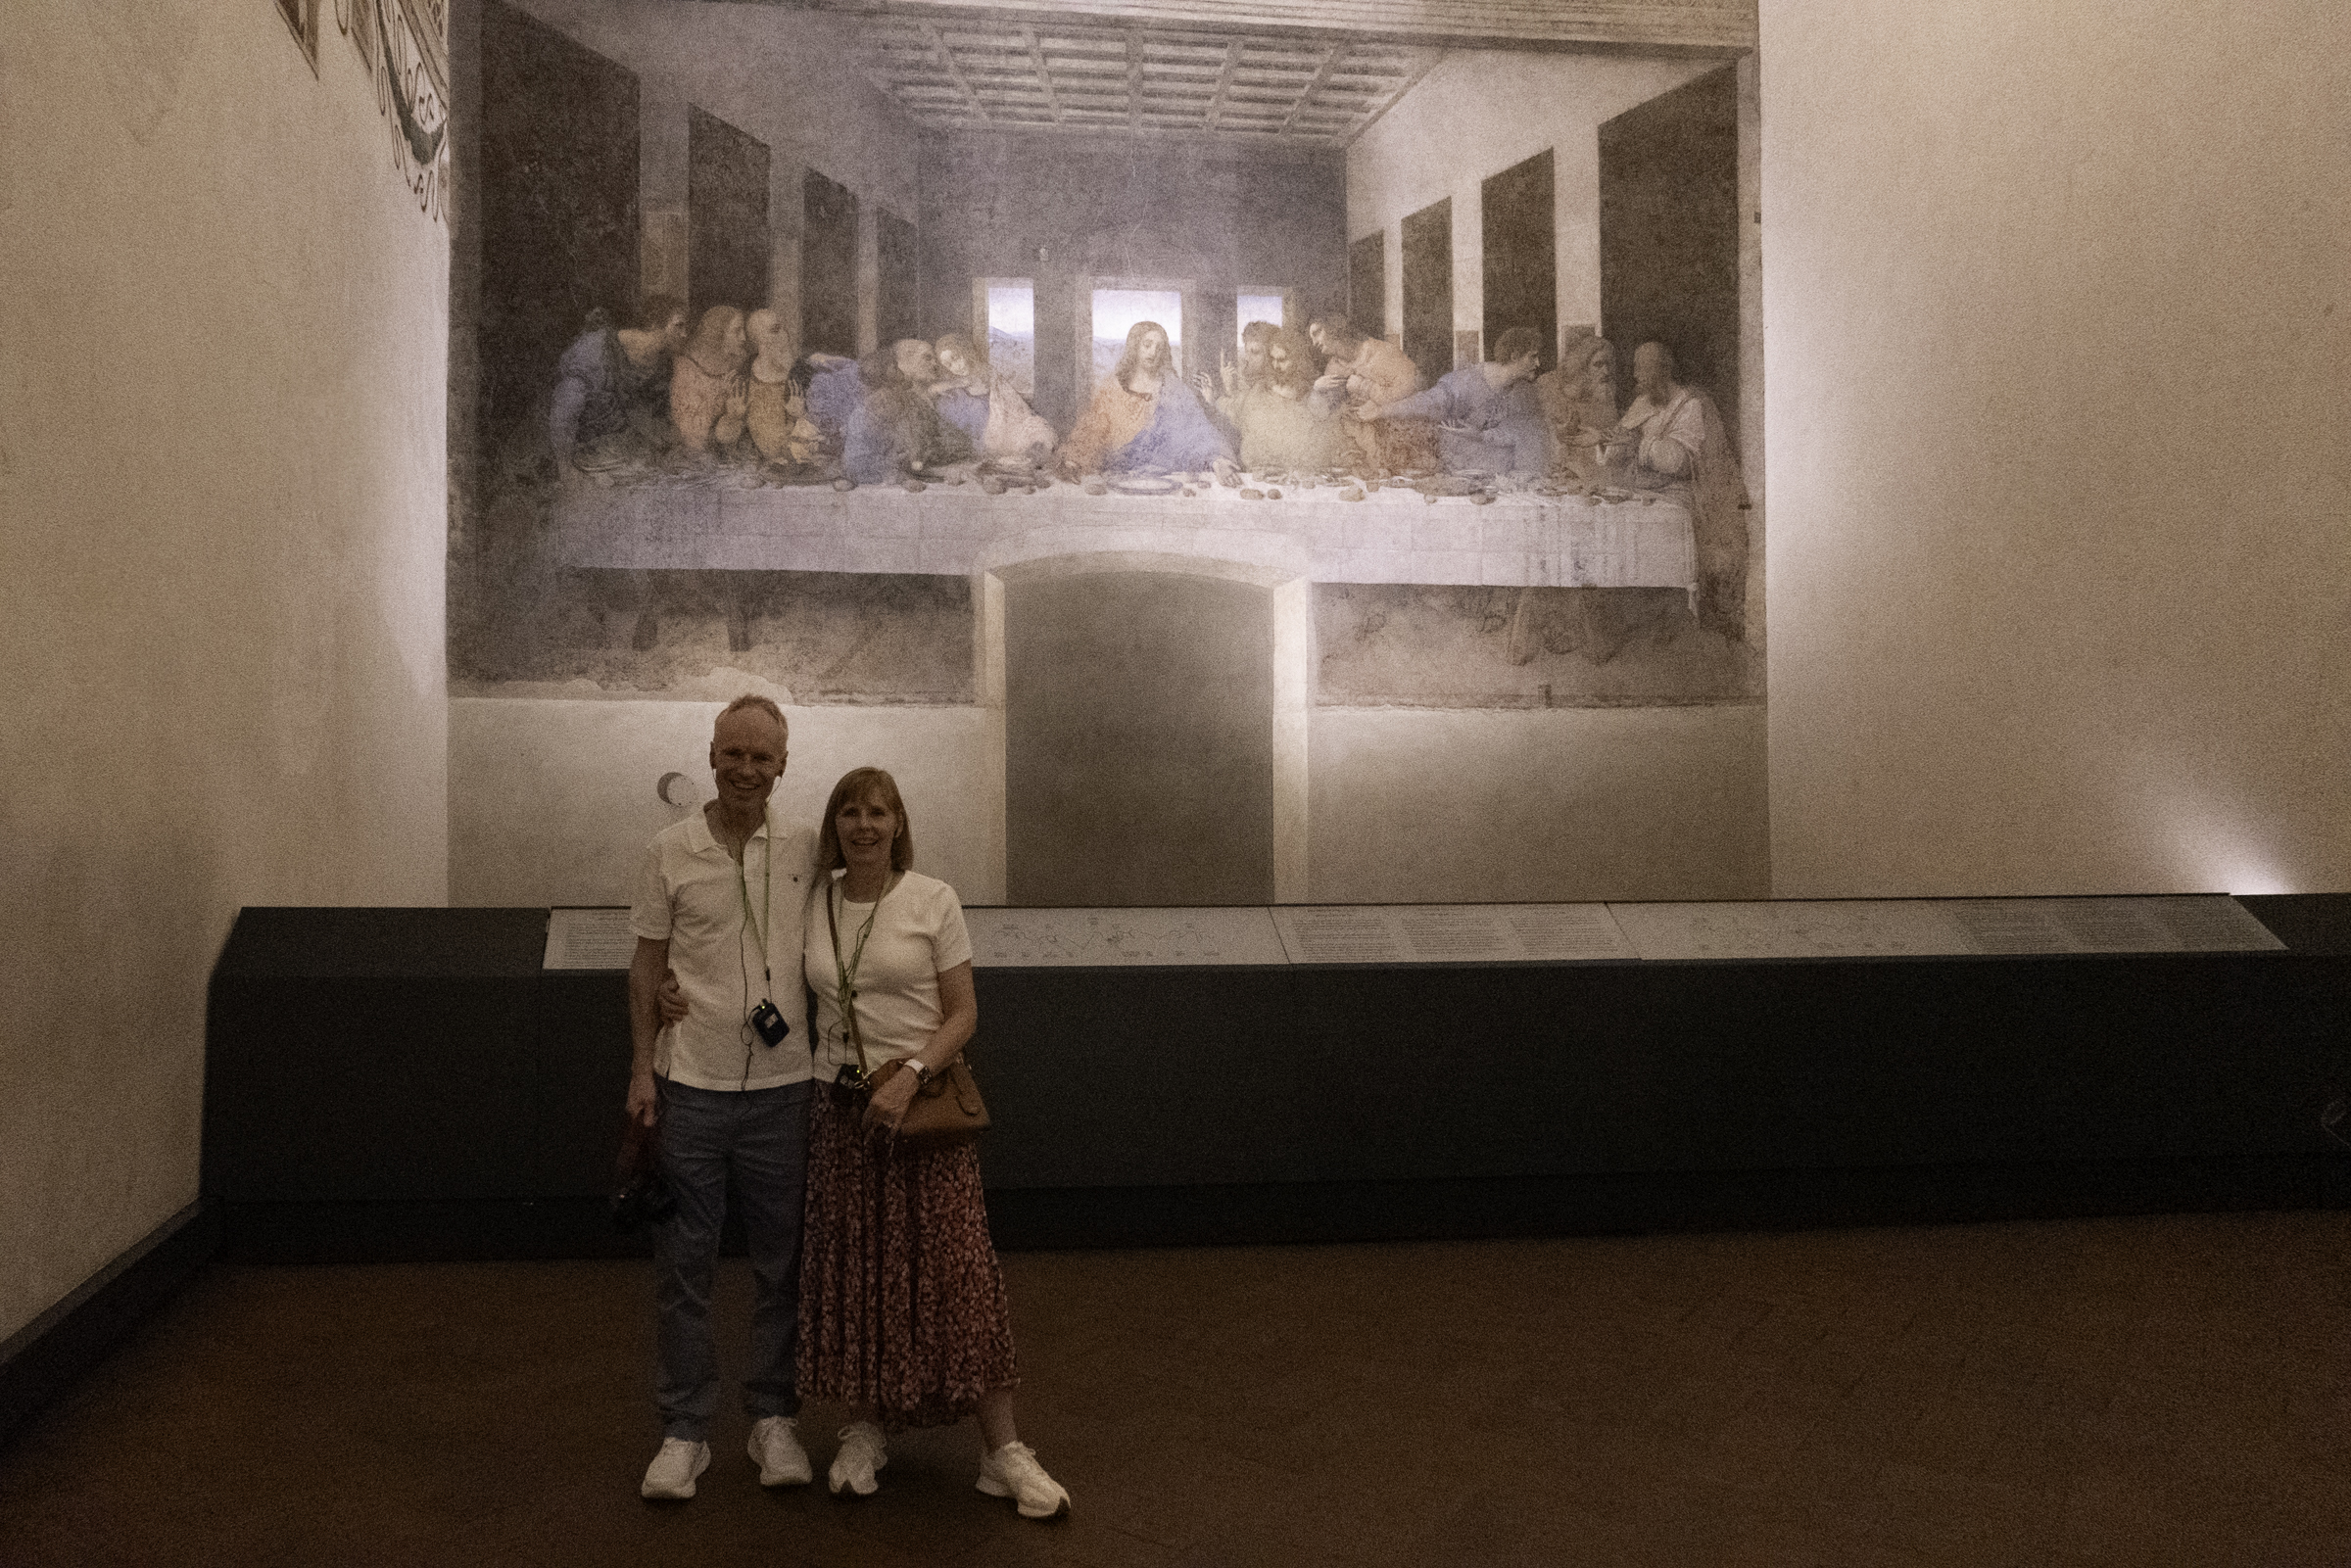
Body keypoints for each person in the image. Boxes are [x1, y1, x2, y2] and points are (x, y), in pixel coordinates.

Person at [799, 767, 1072, 1520]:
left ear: (897, 823)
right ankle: (865, 1429)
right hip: (843, 1116)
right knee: (860, 1273)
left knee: (957, 1275)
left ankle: (1003, 1450)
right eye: (850, 812)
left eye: (877, 812)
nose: (863, 825)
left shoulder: (931, 899)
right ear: (835, 825)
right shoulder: (814, 899)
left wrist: (913, 1072)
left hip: (923, 1115)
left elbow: (963, 1012)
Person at [626, 695, 822, 1501]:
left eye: (763, 757)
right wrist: (642, 1065)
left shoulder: (810, 847)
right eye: (733, 753)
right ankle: (685, 1431)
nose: (747, 768)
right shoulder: (669, 849)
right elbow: (645, 965)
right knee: (685, 1264)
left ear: (783, 765)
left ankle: (772, 1419)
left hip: (786, 1090)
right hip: (692, 1086)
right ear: (710, 756)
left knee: (783, 1263)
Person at [1603, 341, 1751, 639]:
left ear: (1662, 370)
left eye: (1641, 368)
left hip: (1678, 493)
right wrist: (1602, 441)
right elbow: (1614, 452)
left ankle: (1669, 614)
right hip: (1640, 490)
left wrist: (1636, 445)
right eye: (1634, 367)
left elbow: (1678, 462)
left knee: (1656, 528)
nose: (1635, 375)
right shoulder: (1643, 402)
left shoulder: (1690, 404)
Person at [1359, 325, 1552, 480]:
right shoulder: (1465, 382)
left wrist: (1481, 435)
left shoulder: (1522, 392)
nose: (1538, 364)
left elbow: (1517, 434)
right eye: (1532, 356)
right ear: (1514, 356)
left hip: (1502, 478)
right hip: (1460, 474)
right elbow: (1426, 403)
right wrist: (1382, 410)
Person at [1058, 320, 1234, 477]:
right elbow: (1092, 429)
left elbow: (1198, 430)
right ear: (1135, 347)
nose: (1153, 352)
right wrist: (1073, 461)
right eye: (1147, 345)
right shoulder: (1112, 387)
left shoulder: (1175, 389)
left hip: (1167, 477)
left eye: (1159, 347)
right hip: (1117, 476)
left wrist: (1217, 460)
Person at [549, 294, 688, 473]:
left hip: (626, 463)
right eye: (679, 326)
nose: (685, 334)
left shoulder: (663, 364)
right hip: (577, 462)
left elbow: (659, 418)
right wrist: (566, 471)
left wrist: (672, 452)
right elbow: (563, 417)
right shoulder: (594, 352)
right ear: (654, 324)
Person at [1307, 314, 1432, 475]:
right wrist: (1318, 391)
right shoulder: (1333, 367)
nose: (1314, 342)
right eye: (1311, 337)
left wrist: (1366, 388)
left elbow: (1416, 390)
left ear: (1335, 328)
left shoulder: (1381, 352)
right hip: (1358, 449)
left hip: (1395, 443)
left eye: (1317, 332)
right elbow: (1326, 414)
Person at [844, 339, 977, 485]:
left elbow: (945, 446)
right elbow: (859, 463)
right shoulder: (865, 414)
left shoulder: (919, 405)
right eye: (927, 358)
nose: (935, 364)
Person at [932, 332, 1057, 463]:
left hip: (1009, 421)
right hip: (990, 432)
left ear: (966, 351)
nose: (956, 367)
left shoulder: (986, 372)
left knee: (1037, 432)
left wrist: (946, 385)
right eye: (949, 365)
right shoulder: (956, 389)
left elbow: (979, 384)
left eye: (956, 358)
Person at [1227, 326, 1338, 474]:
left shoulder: (1311, 386)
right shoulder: (1261, 387)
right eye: (1272, 359)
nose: (1275, 366)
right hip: (1263, 467)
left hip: (1300, 468)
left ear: (1298, 360)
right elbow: (1242, 418)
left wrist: (1316, 392)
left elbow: (1320, 422)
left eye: (1282, 360)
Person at [1536, 329, 1620, 484]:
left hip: (1596, 477)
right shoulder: (1550, 386)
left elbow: (1613, 441)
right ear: (1582, 367)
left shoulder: (1605, 393)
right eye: (1598, 365)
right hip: (1557, 474)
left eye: (1608, 364)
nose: (1606, 371)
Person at [743, 309, 823, 469]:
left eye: (783, 329)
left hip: (799, 465)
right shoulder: (745, 372)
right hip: (757, 466)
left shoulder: (804, 372)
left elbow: (825, 431)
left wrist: (803, 416)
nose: (784, 335)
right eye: (775, 330)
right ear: (757, 340)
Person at [671, 306, 751, 456]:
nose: (743, 338)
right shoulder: (686, 369)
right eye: (736, 331)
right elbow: (692, 436)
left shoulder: (737, 368)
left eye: (744, 331)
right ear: (717, 334)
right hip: (693, 456)